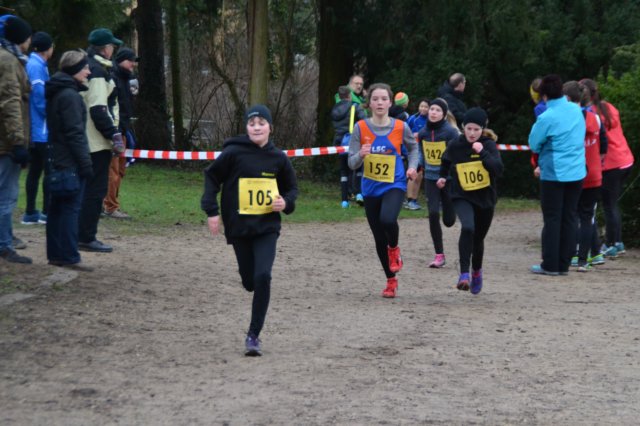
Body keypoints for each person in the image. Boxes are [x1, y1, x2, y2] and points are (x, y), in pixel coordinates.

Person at [201, 105, 298, 356]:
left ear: (270, 128)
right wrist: (212, 210)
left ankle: (253, 335)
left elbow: (292, 188)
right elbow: (211, 177)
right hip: (239, 227)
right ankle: (252, 282)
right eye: (252, 123)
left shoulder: (279, 158)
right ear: (246, 127)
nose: (256, 128)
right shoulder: (233, 153)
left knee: (263, 276)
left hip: (267, 227)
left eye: (261, 123)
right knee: (249, 281)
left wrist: (286, 202)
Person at [348, 83, 419, 298]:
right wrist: (361, 154)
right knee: (379, 238)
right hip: (370, 188)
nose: (380, 102)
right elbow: (351, 163)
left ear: (390, 102)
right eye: (375, 99)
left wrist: (413, 167)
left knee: (388, 220)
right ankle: (390, 280)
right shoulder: (360, 127)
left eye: (384, 99)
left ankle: (394, 249)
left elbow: (413, 148)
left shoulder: (401, 127)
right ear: (369, 103)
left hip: (394, 183)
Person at [437, 108, 503, 294]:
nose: (472, 133)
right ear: (463, 127)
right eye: (469, 129)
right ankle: (464, 274)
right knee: (468, 228)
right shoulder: (456, 144)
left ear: (483, 129)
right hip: (462, 195)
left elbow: (498, 169)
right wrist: (442, 176)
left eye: (476, 129)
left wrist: (483, 153)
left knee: (478, 239)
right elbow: (445, 160)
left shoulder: (488, 145)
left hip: (485, 198)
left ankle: (476, 271)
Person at [528, 75, 586, 276]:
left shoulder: (547, 117)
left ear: (544, 96)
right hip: (577, 171)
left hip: (554, 173)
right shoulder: (577, 111)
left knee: (552, 219)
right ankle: (564, 264)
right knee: (570, 217)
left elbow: (534, 143)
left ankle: (550, 264)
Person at [45, 50, 94, 271]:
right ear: (75, 70)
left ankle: (56, 254)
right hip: (69, 161)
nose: (88, 72)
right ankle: (69, 256)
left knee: (56, 208)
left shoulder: (57, 92)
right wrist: (85, 163)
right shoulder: (70, 96)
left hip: (56, 158)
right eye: (85, 67)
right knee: (70, 209)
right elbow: (75, 134)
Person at [78, 28, 124, 253]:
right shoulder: (97, 72)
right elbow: (98, 109)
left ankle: (80, 234)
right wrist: (113, 135)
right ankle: (86, 237)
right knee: (95, 191)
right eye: (112, 46)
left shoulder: (90, 67)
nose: (113, 49)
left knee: (87, 189)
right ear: (105, 48)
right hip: (95, 142)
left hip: (87, 139)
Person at [580, 78, 634, 258]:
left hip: (611, 163)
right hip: (625, 159)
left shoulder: (590, 114)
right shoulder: (609, 107)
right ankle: (617, 241)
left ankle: (612, 243)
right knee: (612, 203)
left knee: (608, 204)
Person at [562, 81, 607, 272]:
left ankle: (572, 254)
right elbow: (604, 146)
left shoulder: (567, 120)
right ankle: (583, 261)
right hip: (594, 173)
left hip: (574, 173)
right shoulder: (595, 118)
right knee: (587, 217)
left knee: (572, 215)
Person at [0, 16, 32, 264]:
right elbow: (11, 102)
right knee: (6, 195)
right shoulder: (9, 61)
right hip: (6, 143)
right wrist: (18, 142)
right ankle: (4, 244)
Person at [418, 98, 460, 268]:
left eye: (438, 110)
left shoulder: (451, 133)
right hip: (430, 178)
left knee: (449, 220)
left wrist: (450, 173)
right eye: (432, 109)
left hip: (448, 179)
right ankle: (439, 254)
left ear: (443, 114)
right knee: (433, 213)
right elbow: (421, 153)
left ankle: (452, 210)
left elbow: (456, 155)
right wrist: (418, 166)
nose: (434, 113)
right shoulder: (423, 133)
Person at [22, 31, 54, 226]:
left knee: (35, 170)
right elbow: (40, 97)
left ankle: (30, 212)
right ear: (47, 49)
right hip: (41, 128)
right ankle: (45, 212)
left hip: (36, 127)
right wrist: (51, 113)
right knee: (48, 171)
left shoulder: (36, 64)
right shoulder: (36, 66)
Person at [103, 47, 138, 219]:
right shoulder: (112, 78)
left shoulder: (128, 80)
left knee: (120, 170)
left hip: (124, 129)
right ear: (121, 60)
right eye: (130, 60)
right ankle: (110, 206)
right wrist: (114, 131)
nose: (133, 64)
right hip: (114, 131)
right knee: (113, 170)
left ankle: (109, 203)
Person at [332, 85, 366, 208]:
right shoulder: (355, 106)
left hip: (339, 143)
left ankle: (344, 201)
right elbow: (364, 121)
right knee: (359, 168)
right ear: (349, 95)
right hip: (353, 142)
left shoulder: (334, 109)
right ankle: (359, 194)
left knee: (344, 172)